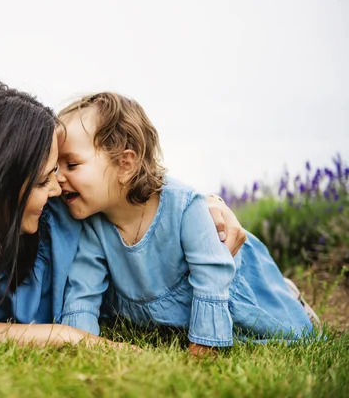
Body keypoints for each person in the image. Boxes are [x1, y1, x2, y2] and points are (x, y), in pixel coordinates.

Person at [0, 80, 246, 348]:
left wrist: (203, 202)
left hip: (223, 271)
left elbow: (126, 182)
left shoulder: (60, 211)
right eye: (44, 180)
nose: (59, 187)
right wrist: (63, 336)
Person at [58, 92, 317, 356]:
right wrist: (80, 342)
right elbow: (83, 291)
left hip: (229, 280)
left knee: (271, 328)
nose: (58, 176)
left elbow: (212, 276)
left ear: (125, 164)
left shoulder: (184, 207)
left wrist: (206, 341)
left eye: (71, 164)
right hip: (171, 305)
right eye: (55, 166)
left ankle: (289, 296)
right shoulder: (94, 226)